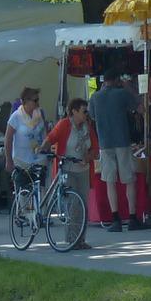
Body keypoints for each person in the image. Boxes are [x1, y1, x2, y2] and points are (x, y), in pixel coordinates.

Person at [88, 73, 144, 230]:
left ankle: (115, 219)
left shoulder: (95, 97)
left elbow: (91, 116)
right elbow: (139, 108)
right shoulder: (122, 94)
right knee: (128, 179)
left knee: (110, 181)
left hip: (105, 142)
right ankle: (132, 217)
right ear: (117, 80)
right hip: (123, 141)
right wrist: (127, 87)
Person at [43, 98, 95, 248]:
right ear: (74, 111)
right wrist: (42, 148)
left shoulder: (87, 127)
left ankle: (81, 239)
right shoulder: (64, 124)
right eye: (84, 111)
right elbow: (51, 138)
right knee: (73, 205)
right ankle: (72, 239)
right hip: (67, 170)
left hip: (83, 170)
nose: (86, 114)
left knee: (83, 205)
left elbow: (95, 149)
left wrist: (88, 157)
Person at [4, 86, 49, 207]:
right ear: (26, 101)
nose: (37, 103)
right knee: (24, 190)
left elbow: (46, 133)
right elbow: (8, 139)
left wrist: (47, 148)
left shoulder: (40, 114)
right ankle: (24, 213)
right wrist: (8, 160)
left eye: (38, 99)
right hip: (22, 159)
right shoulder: (16, 116)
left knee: (40, 188)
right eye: (35, 100)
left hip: (39, 158)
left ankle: (41, 215)